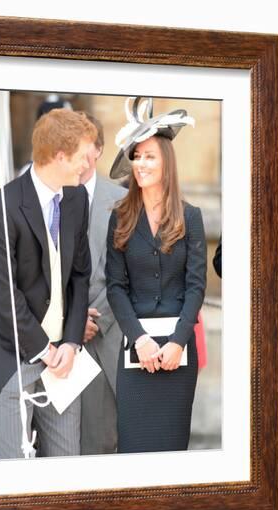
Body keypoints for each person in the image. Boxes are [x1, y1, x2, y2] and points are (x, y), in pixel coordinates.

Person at [0, 108, 97, 459]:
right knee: (13, 469)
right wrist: (44, 350)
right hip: (14, 358)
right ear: (60, 156)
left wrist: (72, 342)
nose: (89, 163)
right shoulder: (3, 204)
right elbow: (3, 293)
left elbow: (80, 276)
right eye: (83, 155)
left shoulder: (77, 198)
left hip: (64, 360)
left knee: (66, 464)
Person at [106, 97, 207, 453]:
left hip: (178, 353)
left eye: (150, 155)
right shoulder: (119, 217)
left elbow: (196, 286)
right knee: (133, 449)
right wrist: (141, 340)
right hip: (137, 351)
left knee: (172, 452)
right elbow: (115, 288)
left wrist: (178, 340)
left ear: (166, 161)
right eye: (137, 156)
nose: (142, 163)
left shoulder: (191, 216)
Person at [78, 113, 127, 455]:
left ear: (98, 149)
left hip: (108, 335)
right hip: (58, 340)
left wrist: (95, 319)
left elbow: (127, 273)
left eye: (84, 144)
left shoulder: (122, 201)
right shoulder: (42, 195)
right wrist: (71, 319)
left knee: (104, 440)